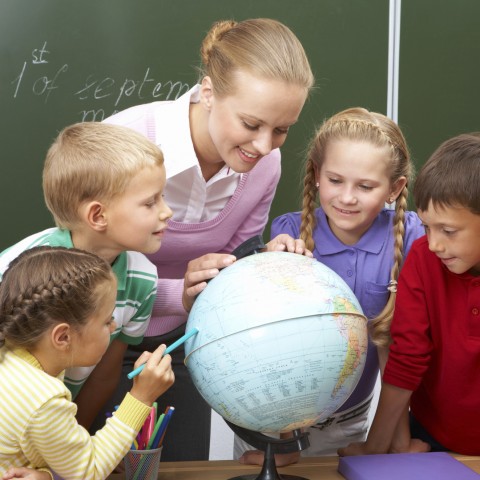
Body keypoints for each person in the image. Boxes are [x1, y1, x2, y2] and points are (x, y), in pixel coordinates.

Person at [101, 17, 315, 461]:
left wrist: (260, 265)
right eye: (252, 123)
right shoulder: (125, 140)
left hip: (185, 344)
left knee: (180, 466)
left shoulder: (264, 166)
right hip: (97, 340)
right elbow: (80, 267)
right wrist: (176, 293)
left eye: (282, 129)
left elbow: (231, 258)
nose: (264, 145)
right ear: (208, 92)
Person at [235, 107, 426, 465]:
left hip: (350, 424)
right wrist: (267, 265)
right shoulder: (289, 233)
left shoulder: (413, 237)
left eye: (366, 186)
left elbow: (398, 348)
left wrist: (394, 439)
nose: (347, 197)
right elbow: (276, 348)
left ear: (394, 188)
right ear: (317, 175)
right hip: (274, 428)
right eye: (335, 180)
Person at [0, 121, 173, 432]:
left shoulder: (142, 279)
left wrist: (73, 454)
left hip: (50, 432)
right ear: (98, 215)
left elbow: (105, 373)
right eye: (150, 202)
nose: (167, 212)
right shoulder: (23, 267)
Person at [339, 132, 480, 457]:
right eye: (428, 227)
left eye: (448, 231)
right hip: (432, 440)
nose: (434, 244)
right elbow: (407, 356)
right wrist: (375, 448)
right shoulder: (422, 257)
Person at [0, 246, 175, 479]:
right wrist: (141, 397)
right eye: (107, 320)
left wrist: (46, 475)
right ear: (63, 337)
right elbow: (88, 472)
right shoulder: (44, 399)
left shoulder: (14, 359)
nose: (113, 327)